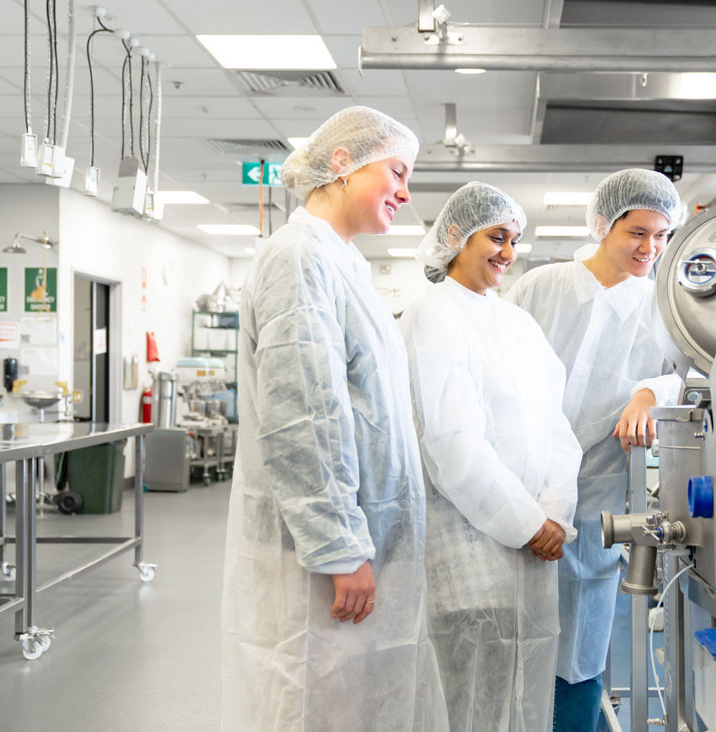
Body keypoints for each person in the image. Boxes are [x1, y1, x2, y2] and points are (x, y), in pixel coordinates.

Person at [220, 106, 448, 732]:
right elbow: (303, 414)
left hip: (351, 535)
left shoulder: (340, 260)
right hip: (315, 552)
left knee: (343, 704)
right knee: (308, 702)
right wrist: (339, 547)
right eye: (396, 172)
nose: (405, 192)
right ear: (343, 165)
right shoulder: (299, 257)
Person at [505, 168, 688, 731]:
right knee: (512, 621)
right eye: (638, 232)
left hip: (600, 486)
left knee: (582, 633)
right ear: (604, 224)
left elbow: (684, 374)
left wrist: (647, 393)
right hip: (522, 480)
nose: (650, 248)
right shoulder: (544, 287)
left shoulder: (663, 304)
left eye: (661, 236)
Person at [400, 182, 582, 732]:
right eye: (495, 237)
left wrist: (554, 513)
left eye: (514, 240)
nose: (507, 251)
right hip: (468, 546)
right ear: (456, 236)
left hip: (534, 544)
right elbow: (451, 443)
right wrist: (528, 523)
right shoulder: (433, 317)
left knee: (523, 691)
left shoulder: (517, 323)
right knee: (469, 697)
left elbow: (557, 425)